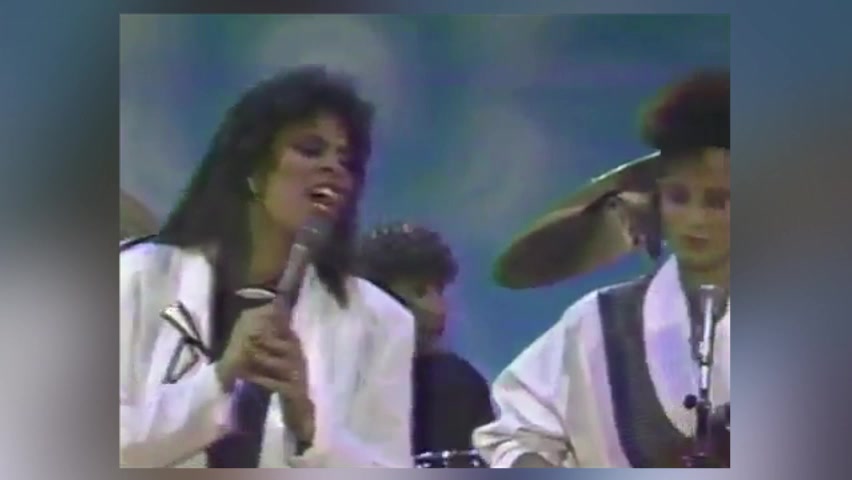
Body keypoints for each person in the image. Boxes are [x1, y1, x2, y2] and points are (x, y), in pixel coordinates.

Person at [119, 66, 416, 468]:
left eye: (347, 161)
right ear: (252, 168)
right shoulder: (134, 279)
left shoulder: (382, 322)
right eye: (310, 149)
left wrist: (310, 428)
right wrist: (221, 378)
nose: (333, 168)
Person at [473, 69, 731, 468]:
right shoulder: (599, 322)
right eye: (679, 198)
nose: (695, 219)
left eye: (717, 202)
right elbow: (513, 433)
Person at [355, 222, 495, 466]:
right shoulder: (335, 375)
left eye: (438, 290)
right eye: (419, 291)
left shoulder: (457, 382)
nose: (437, 309)